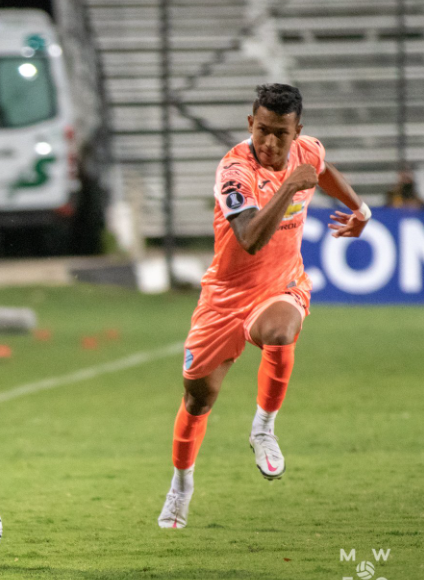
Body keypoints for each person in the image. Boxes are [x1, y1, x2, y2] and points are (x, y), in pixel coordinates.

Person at [157, 84, 373, 529]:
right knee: (198, 399)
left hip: (281, 284)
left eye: (281, 134)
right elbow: (250, 238)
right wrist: (291, 184)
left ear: (298, 132)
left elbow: (322, 169)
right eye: (263, 131)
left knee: (281, 331)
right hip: (224, 297)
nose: (270, 143)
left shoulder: (306, 151)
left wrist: (361, 209)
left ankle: (263, 428)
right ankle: (181, 485)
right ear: (249, 124)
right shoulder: (234, 170)